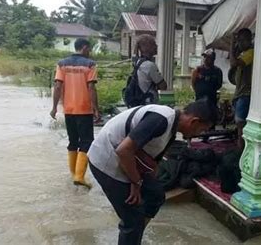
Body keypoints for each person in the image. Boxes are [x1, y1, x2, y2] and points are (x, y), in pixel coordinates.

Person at [88, 99, 217, 245]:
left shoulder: (172, 128)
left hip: (126, 159)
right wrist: (135, 182)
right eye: (202, 130)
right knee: (133, 219)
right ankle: (132, 231)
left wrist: (142, 180)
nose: (199, 134)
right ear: (194, 121)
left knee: (155, 195)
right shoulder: (160, 120)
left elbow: (153, 163)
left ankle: (133, 236)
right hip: (106, 160)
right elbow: (123, 151)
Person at [50, 38, 100, 188]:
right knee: (86, 142)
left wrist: (54, 107)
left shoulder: (62, 64)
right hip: (84, 110)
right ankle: (79, 176)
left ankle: (74, 175)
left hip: (69, 110)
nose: (90, 52)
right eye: (89, 49)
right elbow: (91, 88)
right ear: (84, 48)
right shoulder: (90, 65)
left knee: (73, 141)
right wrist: (96, 108)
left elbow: (58, 86)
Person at [229, 28, 254, 149]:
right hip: (240, 93)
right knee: (239, 126)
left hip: (245, 94)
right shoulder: (243, 53)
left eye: (243, 40)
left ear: (250, 40)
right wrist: (234, 45)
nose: (240, 43)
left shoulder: (251, 53)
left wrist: (231, 43)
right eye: (239, 40)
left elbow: (233, 63)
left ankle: (241, 153)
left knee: (241, 127)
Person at [134, 34, 167, 104]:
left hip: (140, 99)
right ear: (147, 47)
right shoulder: (150, 65)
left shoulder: (138, 62)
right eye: (154, 44)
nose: (156, 46)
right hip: (148, 102)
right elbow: (163, 86)